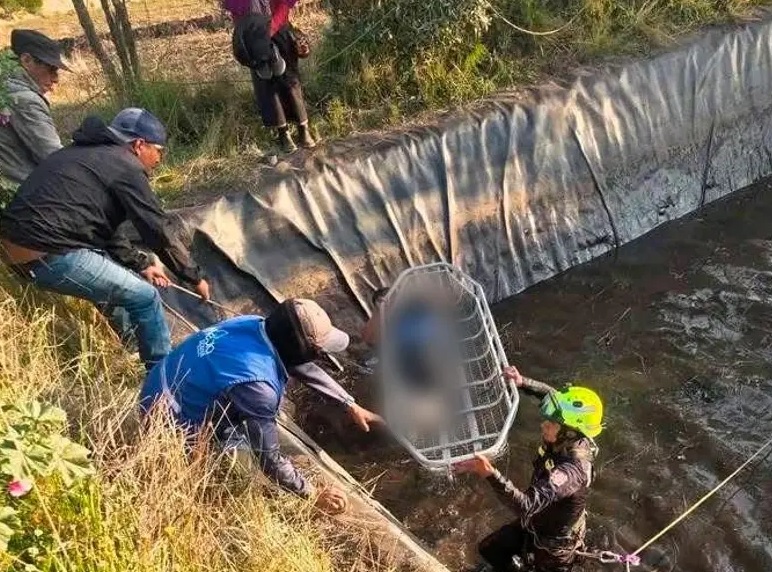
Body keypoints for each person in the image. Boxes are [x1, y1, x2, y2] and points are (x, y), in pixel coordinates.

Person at [0, 108, 210, 370]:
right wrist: (194, 276)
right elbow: (158, 229)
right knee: (145, 297)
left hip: (21, 249)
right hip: (46, 254)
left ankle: (135, 347)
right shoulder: (127, 167)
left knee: (117, 275)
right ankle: (163, 377)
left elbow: (106, 229)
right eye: (158, 150)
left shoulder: (86, 154)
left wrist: (142, 264)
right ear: (139, 144)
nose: (160, 159)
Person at [139, 298, 384, 513]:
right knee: (246, 461)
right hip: (166, 427)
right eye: (318, 351)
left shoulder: (254, 325)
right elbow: (270, 459)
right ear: (302, 349)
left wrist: (348, 403)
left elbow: (299, 363)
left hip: (158, 386)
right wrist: (312, 494)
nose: (319, 356)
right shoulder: (259, 388)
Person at [455, 366, 604, 572]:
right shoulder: (569, 436)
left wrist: (489, 473)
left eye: (551, 423)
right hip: (536, 523)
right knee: (490, 550)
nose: (544, 425)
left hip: (552, 547)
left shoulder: (571, 472)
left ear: (569, 432)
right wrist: (523, 382)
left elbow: (525, 505)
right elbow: (554, 396)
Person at [225, 0, 315, 153]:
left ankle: (303, 128)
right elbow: (239, 18)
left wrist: (270, 30)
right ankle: (283, 132)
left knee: (290, 82)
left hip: (279, 28)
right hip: (254, 38)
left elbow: (284, 6)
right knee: (266, 85)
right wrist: (254, 38)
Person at [0, 29, 70, 188]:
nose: (56, 79)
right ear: (26, 60)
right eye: (51, 69)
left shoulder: (5, 90)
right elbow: (54, 158)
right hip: (24, 195)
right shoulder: (24, 100)